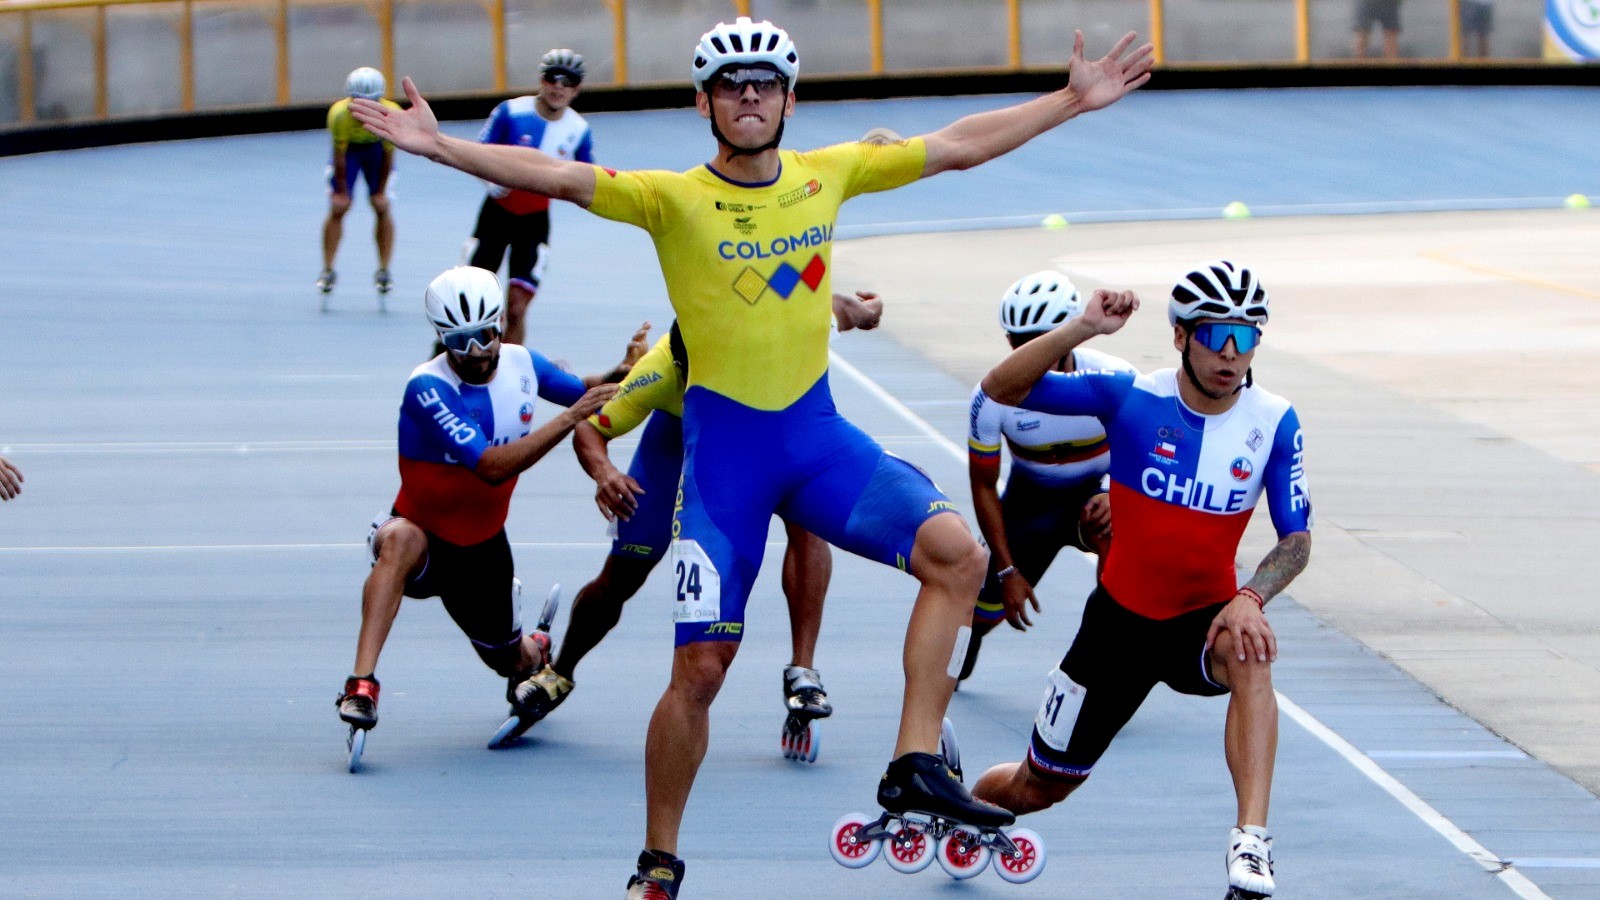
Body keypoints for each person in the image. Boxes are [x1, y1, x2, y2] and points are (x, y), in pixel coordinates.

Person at [350, 19, 1152, 897]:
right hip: (725, 468)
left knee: (958, 557)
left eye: (764, 82)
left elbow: (958, 145)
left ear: (788, 100)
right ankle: (658, 862)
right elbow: (554, 176)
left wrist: (1071, 100)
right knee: (699, 673)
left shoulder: (828, 174)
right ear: (703, 102)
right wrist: (438, 146)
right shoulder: (669, 197)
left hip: (815, 442)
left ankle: (913, 762)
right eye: (730, 84)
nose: (748, 95)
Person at [970, 261, 1313, 900]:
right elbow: (1000, 388)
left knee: (1251, 648)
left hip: (1202, 620)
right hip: (1116, 630)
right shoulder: (1129, 395)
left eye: (1245, 336)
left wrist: (1251, 596)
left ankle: (1251, 841)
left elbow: (1296, 540)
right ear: (1180, 336)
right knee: (1036, 787)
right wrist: (1082, 328)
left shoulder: (1275, 421)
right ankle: (962, 803)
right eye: (1215, 335)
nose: (1231, 353)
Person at [516, 291, 885, 739]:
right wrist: (606, 474)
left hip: (765, 427)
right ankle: (561, 670)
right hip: (680, 441)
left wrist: (868, 311)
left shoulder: (777, 334)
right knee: (624, 572)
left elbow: (834, 306)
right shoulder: (657, 370)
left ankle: (802, 670)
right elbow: (589, 431)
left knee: (808, 521)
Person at [335, 265, 646, 738]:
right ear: (441, 338)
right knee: (397, 540)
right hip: (423, 538)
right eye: (460, 342)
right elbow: (490, 466)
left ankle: (534, 649)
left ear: (500, 323)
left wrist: (623, 373)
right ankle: (361, 684)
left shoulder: (523, 364)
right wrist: (569, 419)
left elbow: (586, 394)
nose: (476, 352)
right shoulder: (428, 388)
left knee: (512, 661)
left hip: (481, 551)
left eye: (484, 335)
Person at [961, 270, 1136, 683]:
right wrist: (1007, 572)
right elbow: (983, 485)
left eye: (1042, 339)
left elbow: (1145, 455)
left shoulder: (1115, 378)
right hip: (1029, 505)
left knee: (1111, 528)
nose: (1031, 353)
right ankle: (975, 635)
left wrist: (1116, 493)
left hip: (1092, 497)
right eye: (1019, 343)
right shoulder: (993, 396)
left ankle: (1103, 648)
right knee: (979, 615)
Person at [463, 49, 596, 346]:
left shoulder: (578, 130)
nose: (558, 87)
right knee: (475, 301)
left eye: (568, 81)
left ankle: (510, 365)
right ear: (541, 80)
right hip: (496, 215)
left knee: (516, 308)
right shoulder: (510, 112)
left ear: (577, 90)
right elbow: (477, 153)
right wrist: (490, 182)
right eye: (552, 78)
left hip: (534, 222)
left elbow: (588, 176)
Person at [319, 67, 402, 297]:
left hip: (376, 151)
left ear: (380, 100)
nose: (364, 109)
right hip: (350, 154)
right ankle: (327, 269)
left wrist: (380, 191)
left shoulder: (391, 114)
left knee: (382, 207)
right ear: (350, 99)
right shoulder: (339, 115)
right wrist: (342, 192)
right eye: (358, 103)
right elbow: (339, 156)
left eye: (371, 103)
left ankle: (384, 269)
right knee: (338, 207)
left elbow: (388, 154)